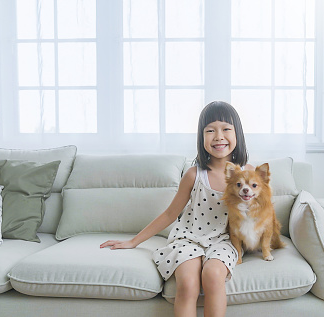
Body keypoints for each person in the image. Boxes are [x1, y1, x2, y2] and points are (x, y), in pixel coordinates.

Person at [100, 101, 252, 317]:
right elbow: (170, 214)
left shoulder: (248, 174)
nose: (218, 136)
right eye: (210, 130)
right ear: (201, 138)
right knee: (189, 283)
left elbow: (260, 213)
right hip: (188, 238)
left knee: (213, 276)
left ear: (238, 134)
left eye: (226, 129)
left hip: (225, 241)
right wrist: (133, 241)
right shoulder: (194, 174)